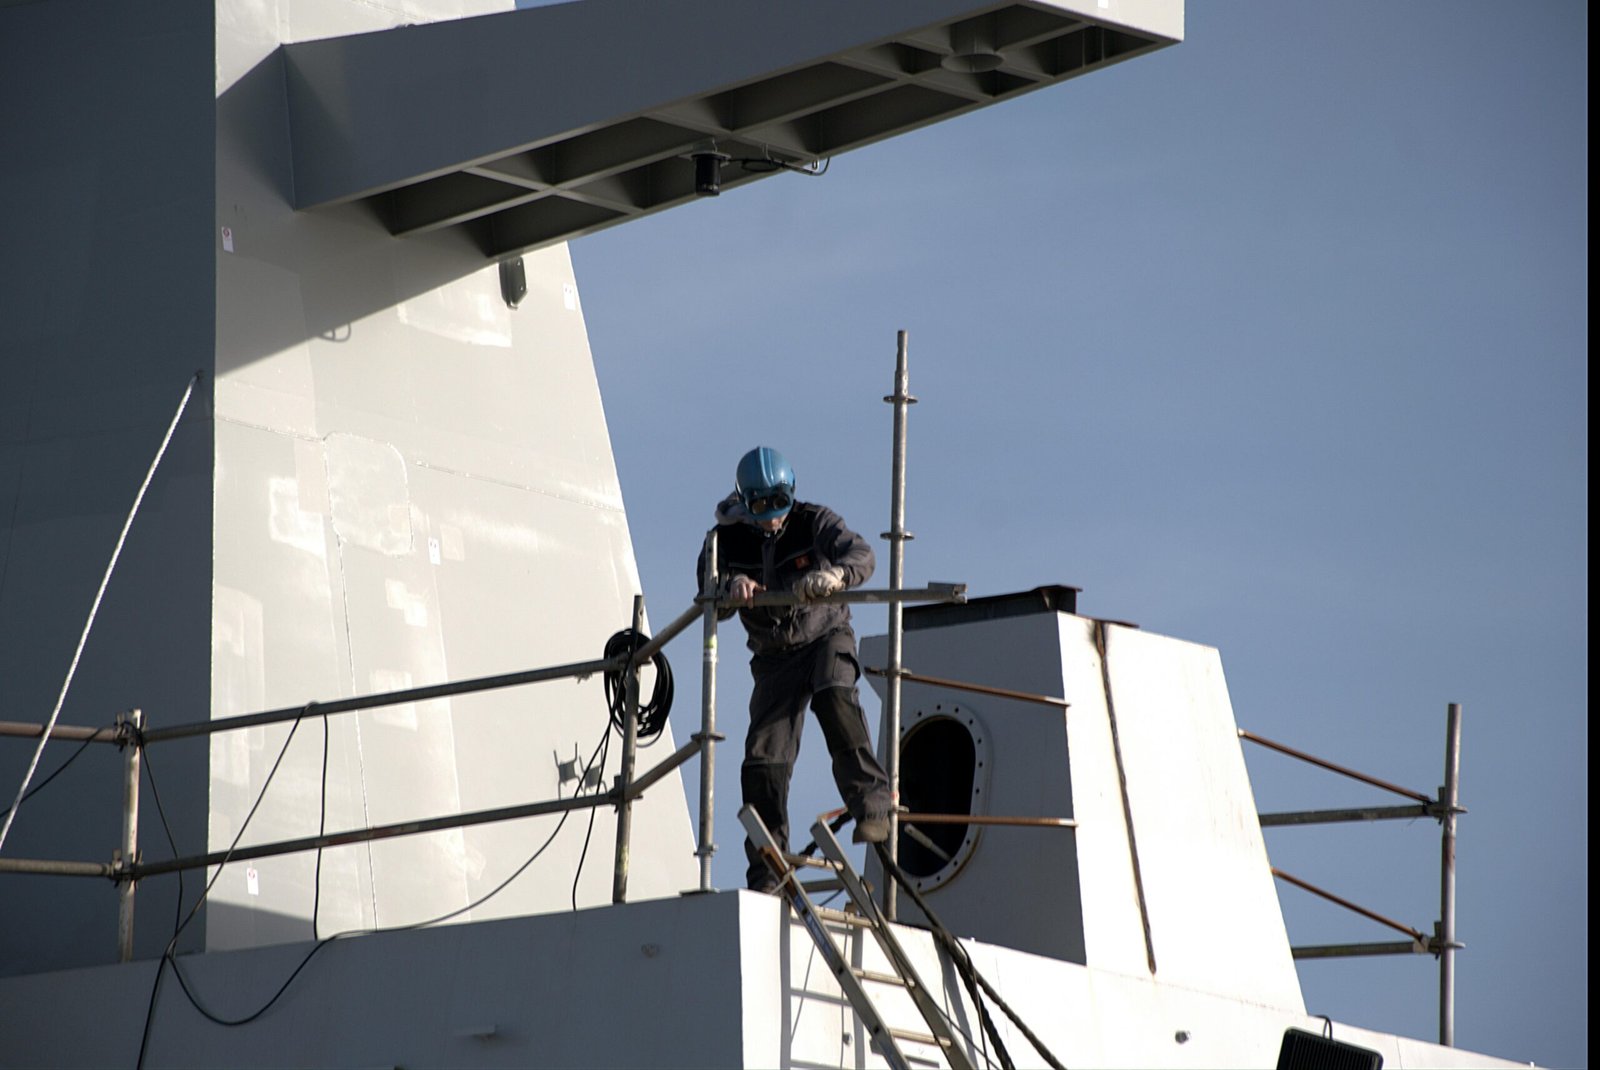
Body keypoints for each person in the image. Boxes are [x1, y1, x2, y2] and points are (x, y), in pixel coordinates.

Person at [698, 446, 894, 893]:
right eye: (761, 508)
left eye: (779, 505)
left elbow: (861, 554)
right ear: (744, 502)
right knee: (764, 760)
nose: (772, 518)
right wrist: (731, 586)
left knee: (835, 697)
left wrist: (837, 577)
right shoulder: (724, 541)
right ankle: (768, 867)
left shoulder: (813, 521)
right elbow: (706, 592)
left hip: (824, 636)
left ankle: (872, 807)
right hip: (774, 658)